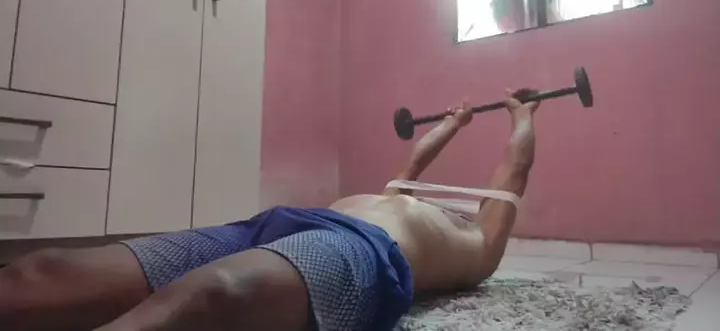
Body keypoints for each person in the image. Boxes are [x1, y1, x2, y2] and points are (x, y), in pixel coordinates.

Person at [0, 89, 540, 331]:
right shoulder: (397, 196)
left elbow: (510, 178)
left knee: (213, 297)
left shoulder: (478, 248)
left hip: (357, 250)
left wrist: (523, 117)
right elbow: (411, 168)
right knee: (47, 269)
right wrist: (453, 124)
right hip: (272, 225)